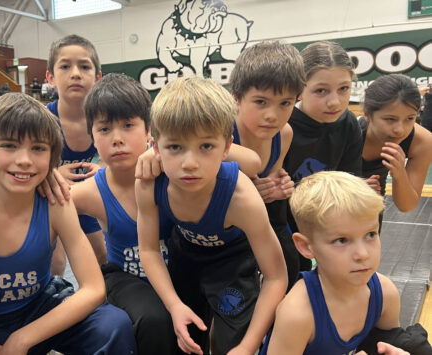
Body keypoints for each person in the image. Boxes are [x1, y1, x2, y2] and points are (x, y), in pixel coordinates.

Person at [0, 92, 136, 355]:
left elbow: (93, 289)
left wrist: (21, 339)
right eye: (9, 146)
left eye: (38, 149)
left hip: (37, 311)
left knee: (112, 325)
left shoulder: (55, 202)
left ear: (53, 157)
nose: (24, 159)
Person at [136, 76, 287, 355]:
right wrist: (174, 305)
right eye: (175, 147)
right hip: (186, 255)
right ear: (155, 147)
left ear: (227, 147)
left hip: (233, 261)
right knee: (185, 339)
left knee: (233, 346)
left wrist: (248, 345)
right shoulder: (149, 182)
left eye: (206, 146)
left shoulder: (241, 198)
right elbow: (148, 250)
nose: (190, 163)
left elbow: (276, 277)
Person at [71, 73, 178, 354]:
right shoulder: (89, 193)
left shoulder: (175, 170)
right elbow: (35, 207)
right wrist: (48, 178)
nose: (117, 139)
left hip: (176, 273)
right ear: (92, 137)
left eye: (128, 126)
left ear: (149, 130)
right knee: (156, 319)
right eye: (104, 129)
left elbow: (226, 154)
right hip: (124, 279)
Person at [260, 171, 408, 355]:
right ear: (306, 246)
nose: (362, 254)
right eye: (342, 240)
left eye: (370, 234)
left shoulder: (385, 294)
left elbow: (387, 347)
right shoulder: (298, 314)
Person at [230, 40, 305, 291]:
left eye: (285, 103)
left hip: (259, 222)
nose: (273, 115)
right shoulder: (218, 131)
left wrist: (278, 189)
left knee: (290, 260)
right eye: (261, 102)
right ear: (237, 98)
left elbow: (270, 185)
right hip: (219, 227)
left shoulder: (284, 134)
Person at [282, 40, 362, 271]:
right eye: (321, 91)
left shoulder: (348, 124)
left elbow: (349, 185)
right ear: (300, 89)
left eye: (344, 89)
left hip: (324, 220)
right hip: (281, 222)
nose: (334, 101)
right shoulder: (281, 124)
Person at [45, 34, 106, 275]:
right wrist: (51, 172)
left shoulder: (107, 120)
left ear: (97, 77)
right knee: (56, 263)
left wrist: (104, 168)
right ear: (50, 77)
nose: (75, 73)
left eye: (84, 66)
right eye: (65, 66)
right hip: (51, 201)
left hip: (88, 201)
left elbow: (125, 156)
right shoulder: (41, 121)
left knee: (102, 255)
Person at [360, 74, 432, 219]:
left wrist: (400, 175)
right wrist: (350, 188)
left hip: (370, 210)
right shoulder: (348, 132)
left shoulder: (422, 142)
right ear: (367, 115)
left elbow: (407, 206)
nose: (399, 129)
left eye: (410, 118)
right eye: (390, 119)